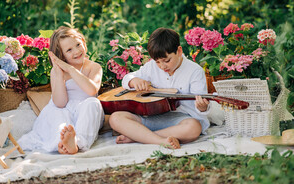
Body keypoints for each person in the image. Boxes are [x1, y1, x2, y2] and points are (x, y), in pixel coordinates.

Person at [109, 27, 210, 149]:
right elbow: (127, 78)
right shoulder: (152, 66)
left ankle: (138, 137)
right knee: (115, 118)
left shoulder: (195, 71)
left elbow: (200, 107)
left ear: (179, 51)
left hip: (181, 120)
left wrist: (202, 107)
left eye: (166, 60)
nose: (162, 66)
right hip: (152, 117)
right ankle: (158, 140)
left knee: (194, 128)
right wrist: (134, 80)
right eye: (157, 62)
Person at [18, 26, 104, 154]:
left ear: (84, 43)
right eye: (69, 50)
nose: (76, 51)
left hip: (85, 112)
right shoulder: (57, 71)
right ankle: (61, 143)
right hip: (65, 108)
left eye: (78, 45)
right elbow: (60, 102)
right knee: (58, 113)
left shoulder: (94, 67)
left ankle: (77, 142)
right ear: (61, 55)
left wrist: (71, 69)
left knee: (93, 103)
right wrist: (59, 74)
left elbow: (91, 90)